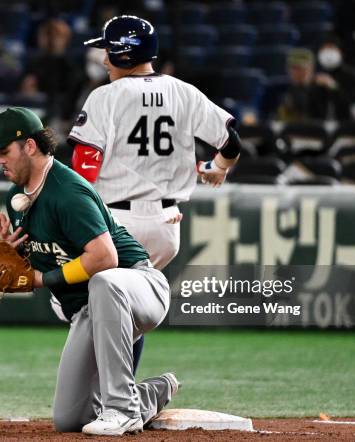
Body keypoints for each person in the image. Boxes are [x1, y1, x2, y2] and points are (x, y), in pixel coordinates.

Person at [0, 107, 178, 436]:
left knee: (103, 281)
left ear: (30, 146)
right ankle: (147, 395)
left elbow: (105, 258)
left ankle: (122, 410)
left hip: (139, 287)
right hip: (92, 310)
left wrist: (40, 279)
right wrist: (18, 258)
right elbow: (51, 258)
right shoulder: (17, 197)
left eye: (4, 151)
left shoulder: (66, 191)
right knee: (69, 420)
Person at [68, 15, 241, 373]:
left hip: (116, 224)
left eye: (107, 51)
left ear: (123, 54)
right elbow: (231, 142)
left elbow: (85, 165)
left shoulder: (105, 96)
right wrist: (217, 169)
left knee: (94, 308)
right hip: (166, 225)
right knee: (125, 310)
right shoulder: (184, 91)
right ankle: (118, 393)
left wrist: (70, 215)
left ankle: (114, 398)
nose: (103, 59)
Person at [278, 47, 352, 121]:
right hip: (291, 129)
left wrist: (333, 86)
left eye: (302, 68)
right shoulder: (281, 89)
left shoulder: (321, 87)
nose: (298, 72)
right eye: (294, 68)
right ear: (288, 69)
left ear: (311, 68)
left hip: (318, 129)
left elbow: (345, 106)